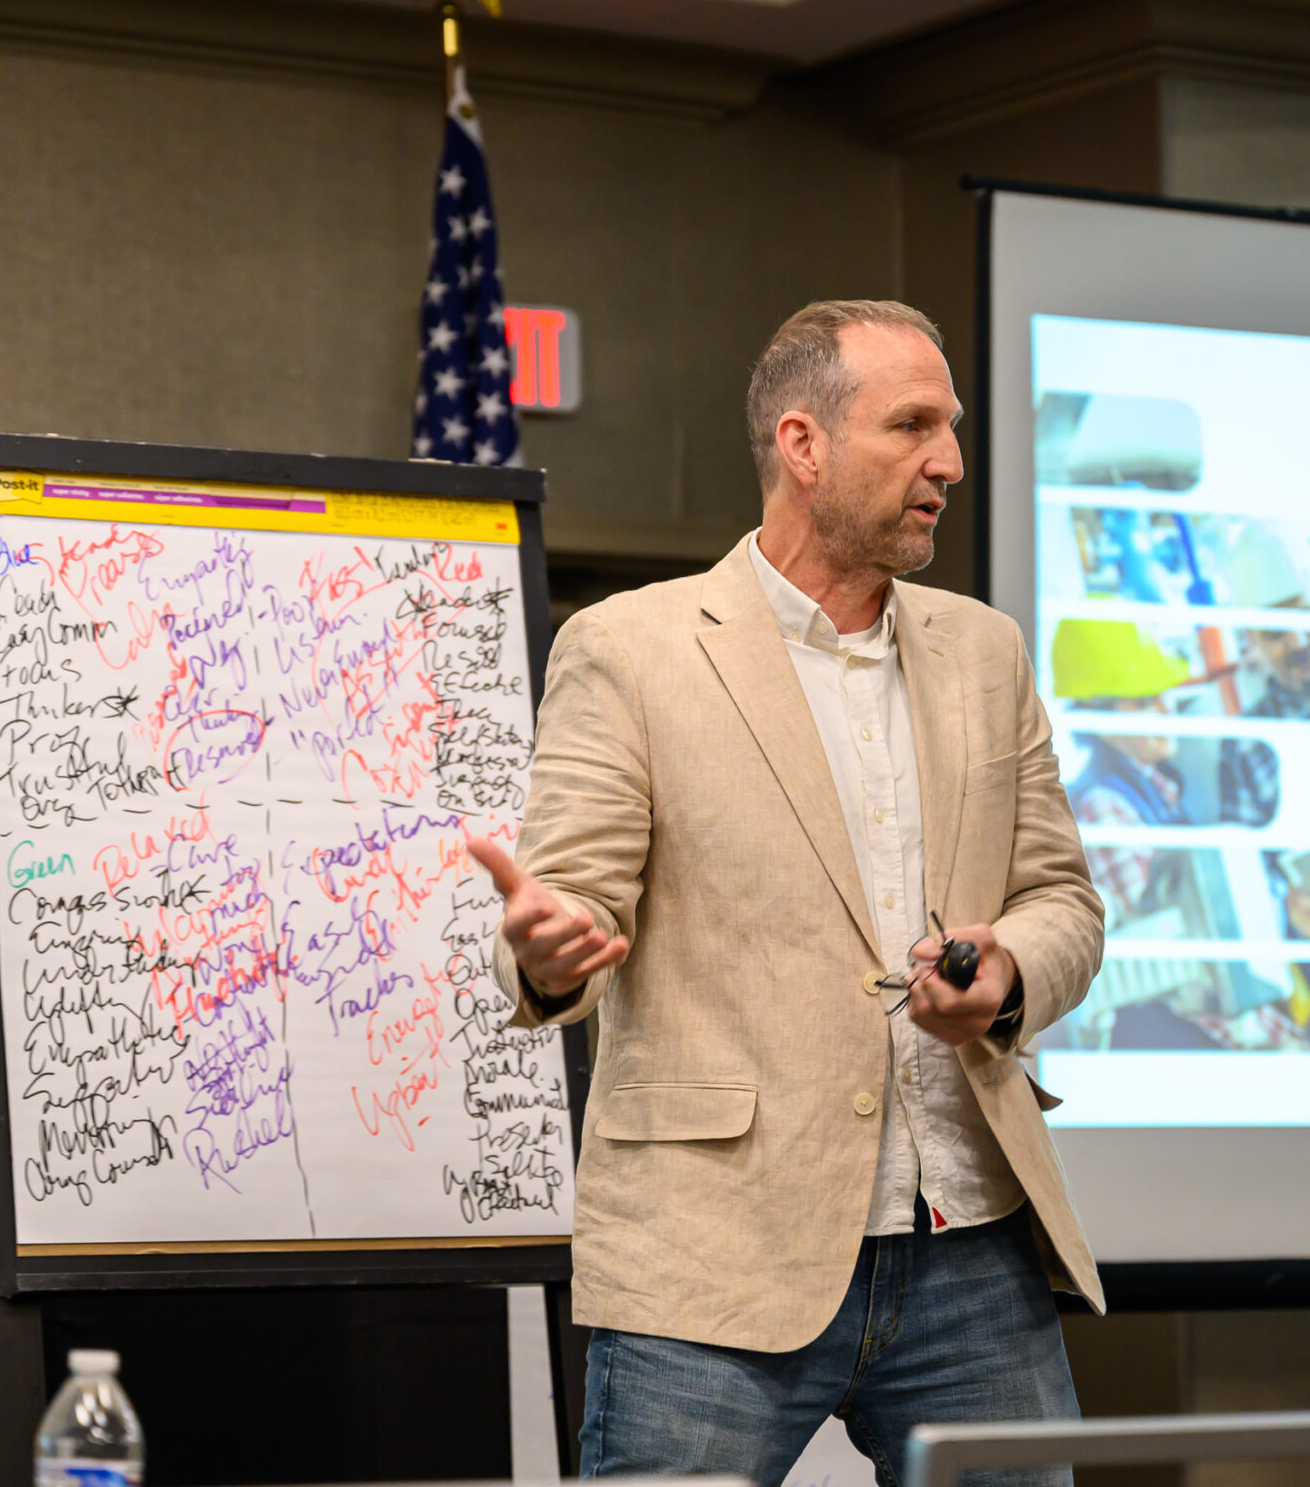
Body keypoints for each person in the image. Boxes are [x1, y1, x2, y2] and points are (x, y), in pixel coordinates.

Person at [469, 299, 1106, 1487]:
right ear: (803, 445)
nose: (949, 463)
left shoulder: (985, 651)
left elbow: (1061, 898)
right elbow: (569, 902)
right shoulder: (633, 647)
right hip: (713, 1252)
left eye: (952, 428)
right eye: (912, 426)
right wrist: (550, 949)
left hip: (970, 1243)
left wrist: (1010, 971)